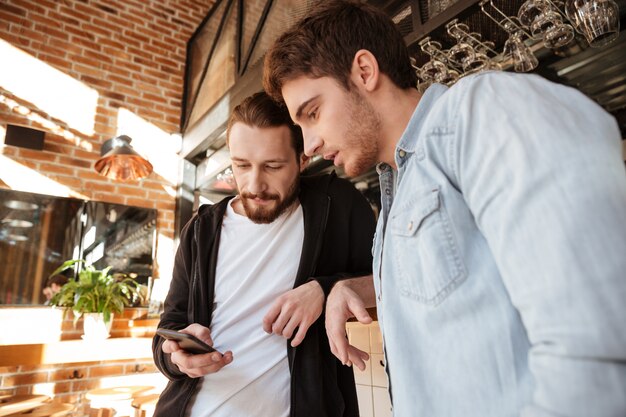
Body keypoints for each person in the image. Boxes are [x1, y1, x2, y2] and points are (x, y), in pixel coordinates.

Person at [263, 1, 626, 416]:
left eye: (312, 113)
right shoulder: (396, 194)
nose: (308, 145)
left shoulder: (481, 109)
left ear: (364, 71)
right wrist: (353, 287)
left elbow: (595, 340)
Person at [152, 91, 376, 417]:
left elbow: (390, 286)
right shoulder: (200, 231)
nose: (255, 184)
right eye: (241, 166)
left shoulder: (338, 205)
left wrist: (325, 291)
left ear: (303, 159)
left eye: (272, 166)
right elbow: (167, 328)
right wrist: (177, 358)